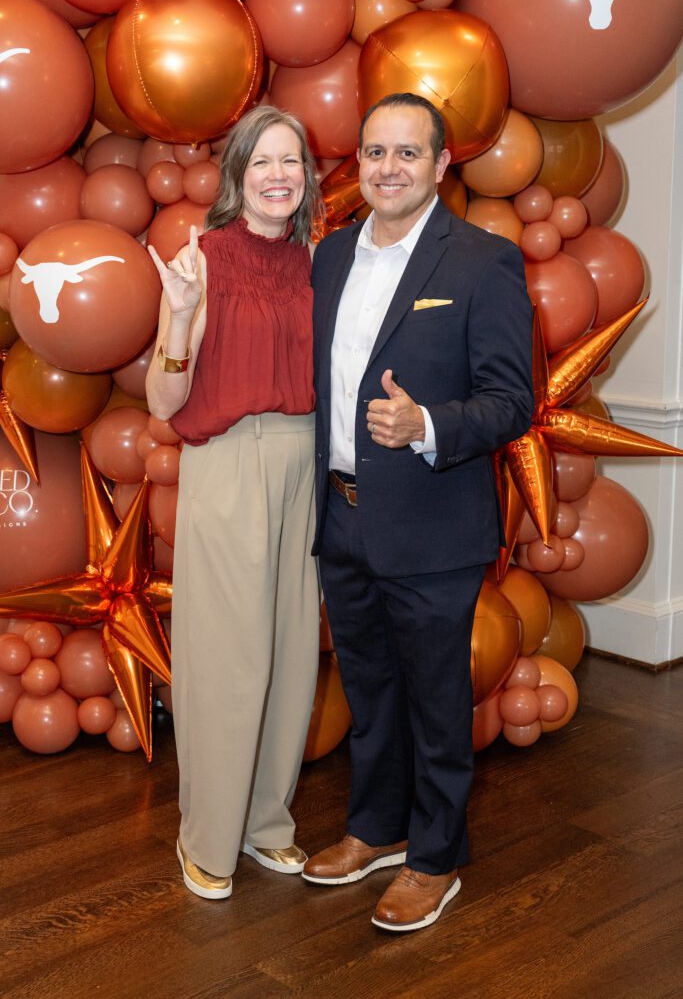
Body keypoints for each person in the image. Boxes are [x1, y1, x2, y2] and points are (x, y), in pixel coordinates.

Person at [302, 93, 534, 931]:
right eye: (374, 153)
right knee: (369, 690)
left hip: (433, 522)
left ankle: (435, 857)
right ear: (356, 164)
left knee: (436, 699)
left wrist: (427, 424)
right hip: (342, 515)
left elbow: (512, 401)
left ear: (441, 166)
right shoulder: (327, 257)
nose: (387, 168)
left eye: (407, 153)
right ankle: (376, 828)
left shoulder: (479, 262)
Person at [145, 105, 323, 900]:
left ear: (307, 178)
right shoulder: (201, 261)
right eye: (263, 163)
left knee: (287, 652)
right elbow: (160, 398)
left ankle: (264, 826)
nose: (279, 175)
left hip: (304, 458)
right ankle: (206, 837)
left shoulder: (319, 261)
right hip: (225, 460)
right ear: (238, 176)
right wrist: (180, 316)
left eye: (292, 162)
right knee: (226, 659)